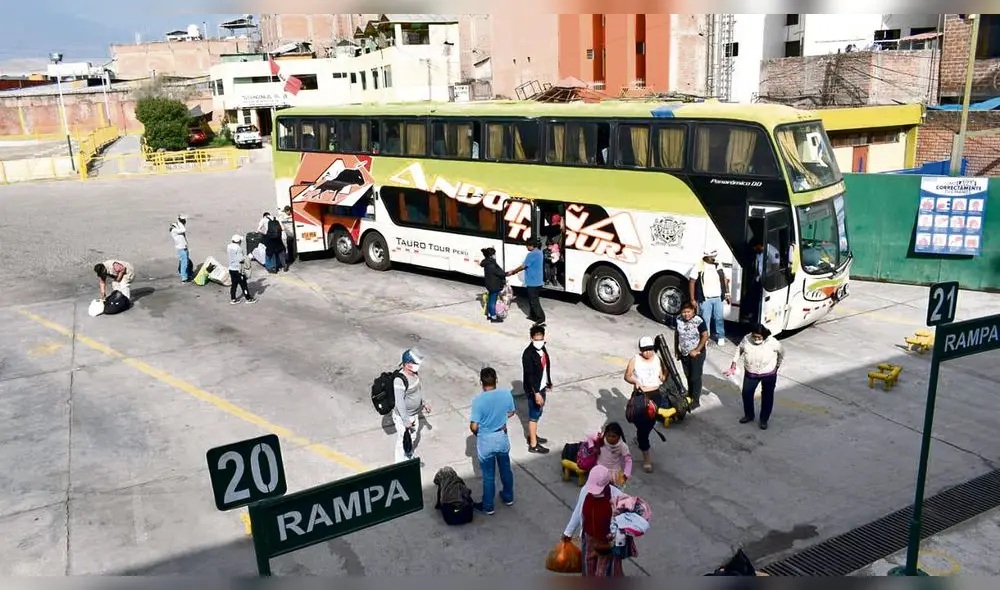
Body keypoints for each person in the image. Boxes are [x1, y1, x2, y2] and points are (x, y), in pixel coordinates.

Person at [469, 367, 516, 515]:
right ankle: (508, 496)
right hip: (501, 437)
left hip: (486, 441)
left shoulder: (478, 401)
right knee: (505, 468)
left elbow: (474, 426)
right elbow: (511, 412)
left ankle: (488, 505)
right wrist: (501, 420)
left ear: (481, 382)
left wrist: (479, 432)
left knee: (489, 475)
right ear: (496, 380)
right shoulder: (506, 394)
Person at [726, 324, 784, 430]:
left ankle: (764, 420)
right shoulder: (746, 339)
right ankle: (749, 415)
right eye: (755, 337)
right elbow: (739, 349)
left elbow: (781, 353)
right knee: (746, 394)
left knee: (767, 397)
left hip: (768, 374)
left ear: (764, 336)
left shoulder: (773, 342)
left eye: (759, 337)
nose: (756, 339)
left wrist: (777, 365)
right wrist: (734, 361)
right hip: (751, 373)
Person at [572, 465, 625, 576]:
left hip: (606, 541)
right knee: (588, 566)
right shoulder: (586, 493)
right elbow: (579, 512)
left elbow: (622, 521)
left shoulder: (616, 496)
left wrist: (614, 535)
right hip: (589, 537)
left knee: (602, 572)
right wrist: (569, 532)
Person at [623, 336, 666, 473]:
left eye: (650, 349)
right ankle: (644, 449)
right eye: (645, 350)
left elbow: (662, 378)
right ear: (641, 350)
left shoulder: (657, 359)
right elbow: (627, 376)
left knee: (648, 426)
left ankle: (643, 447)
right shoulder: (635, 360)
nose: (648, 352)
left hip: (655, 396)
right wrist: (635, 381)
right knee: (641, 425)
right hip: (641, 396)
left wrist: (667, 373)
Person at [392, 349, 431, 462]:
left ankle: (408, 459)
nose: (418, 365)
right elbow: (399, 402)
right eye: (415, 363)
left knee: (412, 438)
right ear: (408, 364)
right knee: (402, 441)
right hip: (404, 417)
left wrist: (423, 403)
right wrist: (405, 421)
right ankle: (399, 465)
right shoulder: (399, 380)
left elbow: (418, 391)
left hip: (414, 414)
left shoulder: (414, 374)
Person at [521, 323, 553, 454]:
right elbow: (529, 375)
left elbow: (546, 366)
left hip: (542, 386)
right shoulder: (528, 354)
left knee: (539, 412)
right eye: (536, 339)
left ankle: (533, 435)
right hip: (535, 390)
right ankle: (533, 444)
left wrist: (548, 382)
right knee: (533, 416)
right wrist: (536, 393)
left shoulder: (543, 349)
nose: (539, 341)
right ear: (531, 338)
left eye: (541, 338)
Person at [688, 250, 729, 346]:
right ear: (707, 256)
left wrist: (727, 293)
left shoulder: (718, 264)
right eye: (712, 256)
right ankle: (705, 338)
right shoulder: (699, 266)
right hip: (705, 298)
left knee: (719, 318)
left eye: (715, 255)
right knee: (705, 319)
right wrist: (692, 299)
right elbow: (692, 282)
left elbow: (724, 279)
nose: (714, 257)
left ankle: (721, 336)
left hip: (718, 297)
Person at [675, 302, 708, 409]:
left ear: (693, 311)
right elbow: (677, 334)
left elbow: (705, 336)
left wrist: (697, 350)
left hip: (697, 354)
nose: (686, 314)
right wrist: (677, 349)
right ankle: (690, 395)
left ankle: (695, 400)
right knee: (688, 375)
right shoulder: (678, 319)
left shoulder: (699, 321)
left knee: (695, 377)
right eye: (684, 312)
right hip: (684, 353)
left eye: (688, 311)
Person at [507, 238, 545, 323]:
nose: (526, 247)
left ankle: (541, 318)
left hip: (533, 281)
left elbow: (523, 266)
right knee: (532, 300)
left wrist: (513, 272)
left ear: (531, 246)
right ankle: (533, 316)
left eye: (527, 246)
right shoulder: (539, 252)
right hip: (538, 280)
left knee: (534, 301)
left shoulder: (531, 254)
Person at [227, 235, 256, 304]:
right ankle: (248, 299)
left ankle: (233, 299)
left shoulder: (229, 246)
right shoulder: (238, 249)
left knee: (234, 285)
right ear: (239, 241)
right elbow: (241, 259)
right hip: (238, 269)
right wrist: (248, 257)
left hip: (231, 268)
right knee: (244, 285)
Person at [480, 247, 507, 322]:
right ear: (491, 255)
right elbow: (500, 273)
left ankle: (489, 314)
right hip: (494, 285)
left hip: (490, 284)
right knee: (492, 301)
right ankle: (493, 317)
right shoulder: (491, 264)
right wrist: (507, 273)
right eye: (494, 254)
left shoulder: (487, 262)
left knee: (491, 299)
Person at [170, 214, 192, 283]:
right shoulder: (174, 230)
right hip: (181, 248)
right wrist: (179, 221)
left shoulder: (177, 230)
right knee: (184, 262)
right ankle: (184, 278)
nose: (184, 222)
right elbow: (183, 229)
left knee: (185, 261)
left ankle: (186, 274)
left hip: (183, 247)